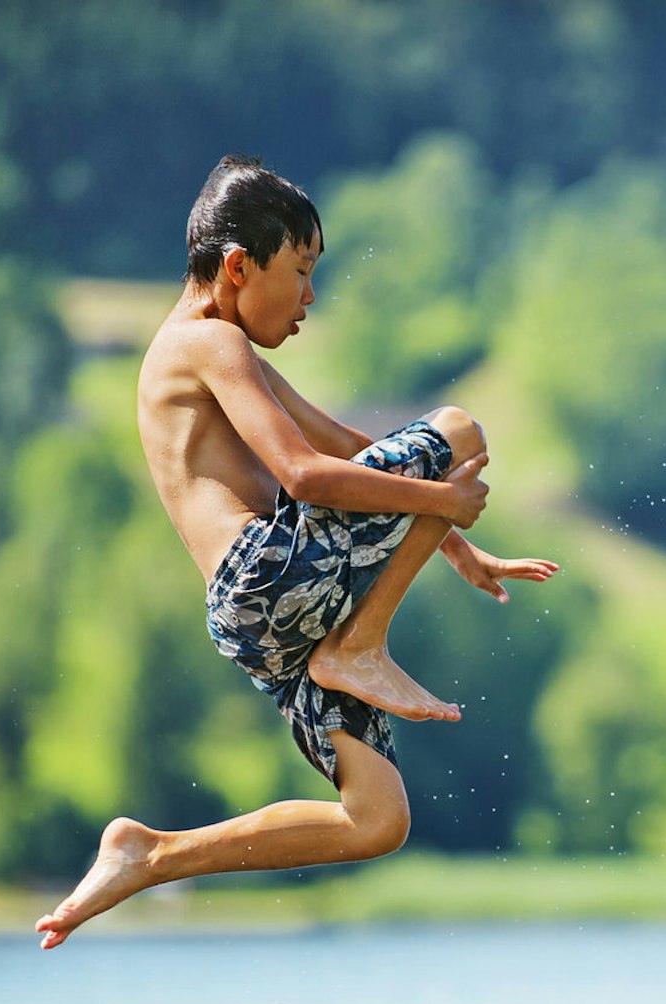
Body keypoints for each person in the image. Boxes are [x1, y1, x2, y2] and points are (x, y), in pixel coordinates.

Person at [35, 155, 557, 950]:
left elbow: (350, 444)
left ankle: (152, 855)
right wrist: (442, 498)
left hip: (263, 618)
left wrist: (454, 546)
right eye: (303, 271)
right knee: (458, 430)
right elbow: (307, 475)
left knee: (377, 820)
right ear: (239, 267)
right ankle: (362, 645)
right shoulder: (212, 344)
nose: (312, 297)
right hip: (271, 582)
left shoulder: (206, 351)